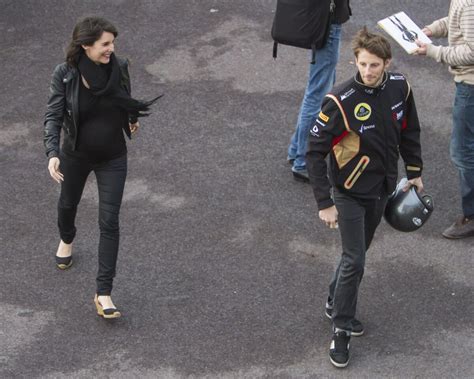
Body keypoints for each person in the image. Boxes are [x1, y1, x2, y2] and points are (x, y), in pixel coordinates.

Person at [306, 28, 424, 368]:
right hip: (348, 194)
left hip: (382, 190)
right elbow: (314, 152)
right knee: (355, 260)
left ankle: (333, 300)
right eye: (362, 64)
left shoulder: (400, 87)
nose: (367, 72)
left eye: (374, 65)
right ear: (355, 61)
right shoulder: (340, 102)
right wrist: (324, 202)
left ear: (387, 62)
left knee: (353, 257)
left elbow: (410, 131)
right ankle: (341, 327)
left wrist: (414, 171)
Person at [44, 17, 159, 319]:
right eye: (106, 44)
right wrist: (52, 152)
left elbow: (126, 100)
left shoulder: (118, 67)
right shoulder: (65, 74)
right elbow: (54, 115)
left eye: (113, 43)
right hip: (75, 155)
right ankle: (67, 238)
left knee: (110, 222)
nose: (112, 49)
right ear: (86, 45)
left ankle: (103, 293)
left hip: (113, 158)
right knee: (68, 204)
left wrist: (131, 119)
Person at [415, 1, 474, 239]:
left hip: (470, 87)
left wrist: (433, 51)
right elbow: (458, 22)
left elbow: (471, 51)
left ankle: (471, 215)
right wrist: (432, 29)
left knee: (462, 151)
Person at [287, 0, 351, 182]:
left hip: (322, 21)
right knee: (317, 95)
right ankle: (302, 161)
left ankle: (296, 150)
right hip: (327, 23)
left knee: (317, 90)